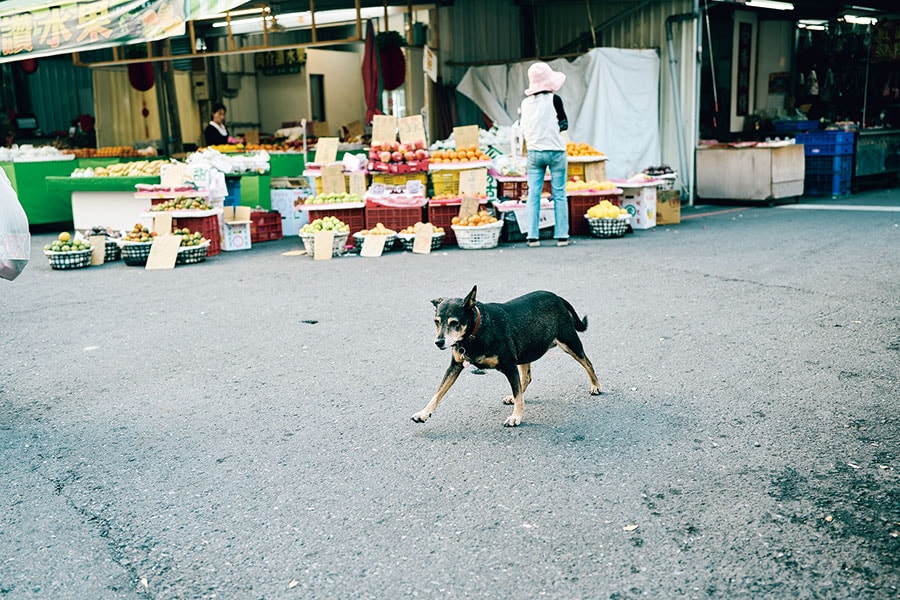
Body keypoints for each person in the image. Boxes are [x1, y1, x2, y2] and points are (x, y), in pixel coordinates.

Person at [519, 62, 570, 247]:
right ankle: (562, 236)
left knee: (533, 194)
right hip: (556, 152)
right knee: (559, 193)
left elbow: (524, 127)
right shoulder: (554, 100)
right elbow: (564, 123)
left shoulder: (525, 104)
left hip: (534, 153)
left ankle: (532, 237)